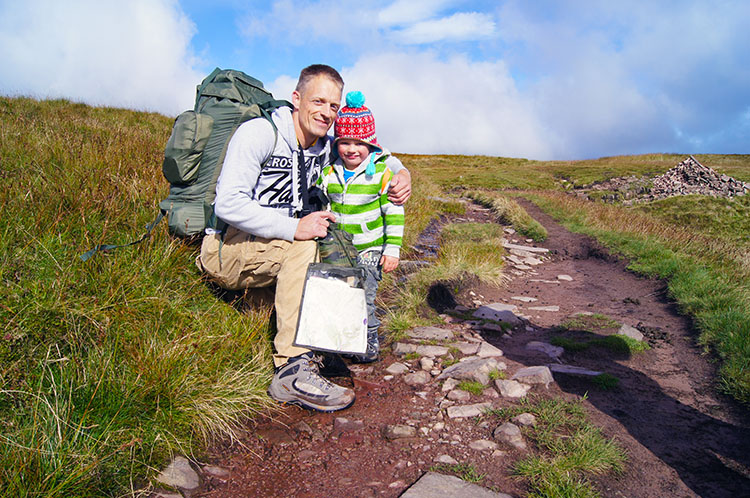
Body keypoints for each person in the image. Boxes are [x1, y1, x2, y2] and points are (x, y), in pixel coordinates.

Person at [195, 65, 411, 412]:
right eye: (319, 101)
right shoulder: (260, 134)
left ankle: (324, 340)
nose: (327, 112)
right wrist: (294, 228)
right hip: (227, 249)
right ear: (297, 99)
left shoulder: (324, 146)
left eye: (334, 107)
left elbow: (372, 154)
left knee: (335, 238)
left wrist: (403, 173)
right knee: (308, 242)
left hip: (271, 249)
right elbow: (228, 203)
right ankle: (292, 370)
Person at [318, 91, 404, 363]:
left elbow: (394, 213)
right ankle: (344, 340)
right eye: (345, 142)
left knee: (364, 299)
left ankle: (369, 341)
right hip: (339, 250)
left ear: (372, 145)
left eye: (359, 142)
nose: (352, 149)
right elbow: (323, 204)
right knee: (342, 296)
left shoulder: (381, 174)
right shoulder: (329, 172)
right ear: (337, 143)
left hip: (370, 249)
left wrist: (392, 250)